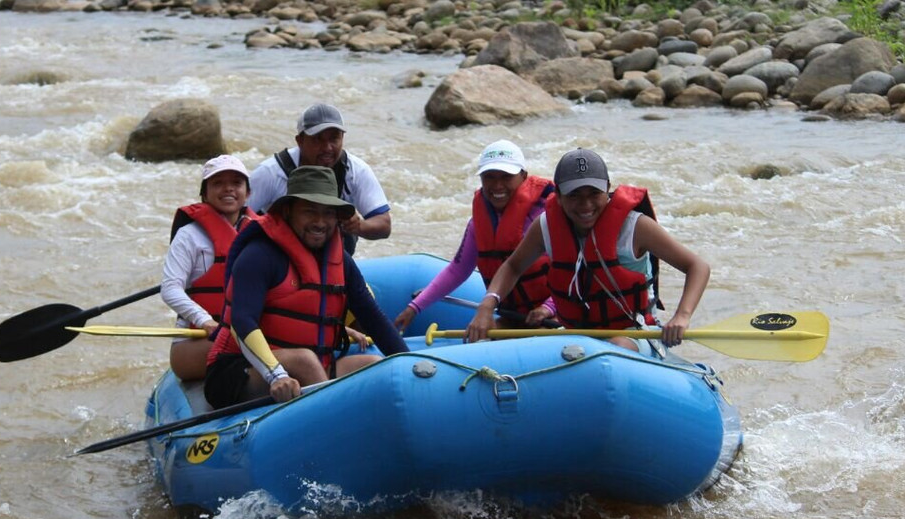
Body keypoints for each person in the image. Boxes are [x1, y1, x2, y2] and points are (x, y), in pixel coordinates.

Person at [466, 148, 710, 354]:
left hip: (633, 332)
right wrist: (486, 306)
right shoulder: (546, 226)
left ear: (608, 189)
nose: (586, 205)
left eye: (594, 193)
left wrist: (682, 316)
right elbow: (512, 266)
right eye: (574, 195)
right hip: (575, 330)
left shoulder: (636, 226)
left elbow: (697, 266)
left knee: (614, 348)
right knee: (499, 337)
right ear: (558, 196)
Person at [205, 165, 408, 408]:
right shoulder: (259, 254)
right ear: (288, 211)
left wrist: (409, 362)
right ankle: (331, 424)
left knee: (375, 365)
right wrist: (276, 375)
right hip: (240, 370)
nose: (320, 222)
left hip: (315, 367)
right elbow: (241, 322)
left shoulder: (340, 260)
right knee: (304, 360)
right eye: (310, 211)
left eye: (328, 213)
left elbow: (373, 317)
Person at [393, 139, 557, 334]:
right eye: (489, 177)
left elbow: (575, 272)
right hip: (516, 315)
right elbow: (457, 270)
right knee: (480, 337)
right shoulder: (477, 224)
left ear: (523, 176)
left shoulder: (546, 217)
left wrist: (548, 308)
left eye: (506, 177)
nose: (497, 185)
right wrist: (415, 307)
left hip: (557, 313)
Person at [246, 103, 391, 255]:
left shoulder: (356, 171)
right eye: (318, 139)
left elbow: (384, 224)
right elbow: (235, 216)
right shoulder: (271, 173)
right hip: (276, 257)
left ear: (342, 138)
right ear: (300, 140)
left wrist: (358, 226)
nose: (327, 147)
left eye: (334, 138)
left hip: (330, 259)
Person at [160, 155, 254, 382]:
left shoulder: (259, 233)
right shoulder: (189, 236)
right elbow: (170, 288)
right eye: (218, 183)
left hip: (247, 336)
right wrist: (204, 320)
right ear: (204, 193)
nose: (228, 189)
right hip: (195, 342)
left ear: (248, 193)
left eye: (236, 183)